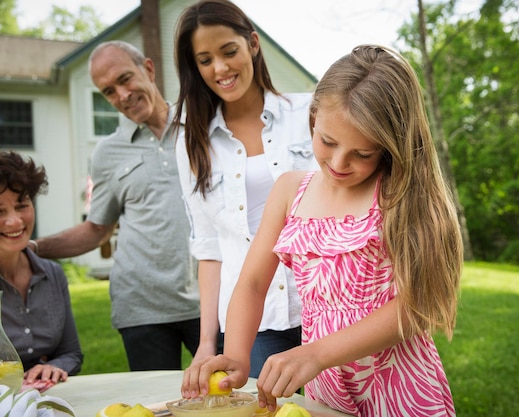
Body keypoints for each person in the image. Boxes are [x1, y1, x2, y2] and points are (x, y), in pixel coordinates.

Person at [186, 45, 464, 417]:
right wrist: (236, 355)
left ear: (391, 146)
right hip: (327, 392)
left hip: (401, 391)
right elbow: (252, 283)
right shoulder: (289, 191)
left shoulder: (405, 196)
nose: (338, 162)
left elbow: (422, 304)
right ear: (313, 118)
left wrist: (317, 353)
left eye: (362, 154)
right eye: (327, 141)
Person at [30, 41, 200, 371]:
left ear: (148, 69)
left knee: (235, 396)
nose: (121, 96)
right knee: (157, 405)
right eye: (108, 91)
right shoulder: (106, 153)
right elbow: (97, 230)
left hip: (213, 299)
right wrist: (32, 247)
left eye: (125, 79)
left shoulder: (202, 126)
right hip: (142, 307)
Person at [172, 0, 318, 384]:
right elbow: (209, 249)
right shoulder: (192, 144)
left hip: (324, 308)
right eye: (204, 60)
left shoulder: (308, 115)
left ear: (253, 43)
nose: (219, 68)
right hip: (254, 323)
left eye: (228, 51)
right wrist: (208, 342)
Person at [0, 151, 83, 390]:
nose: (15, 221)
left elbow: (71, 353)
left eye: (22, 205)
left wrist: (54, 366)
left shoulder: (53, 274)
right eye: (0, 211)